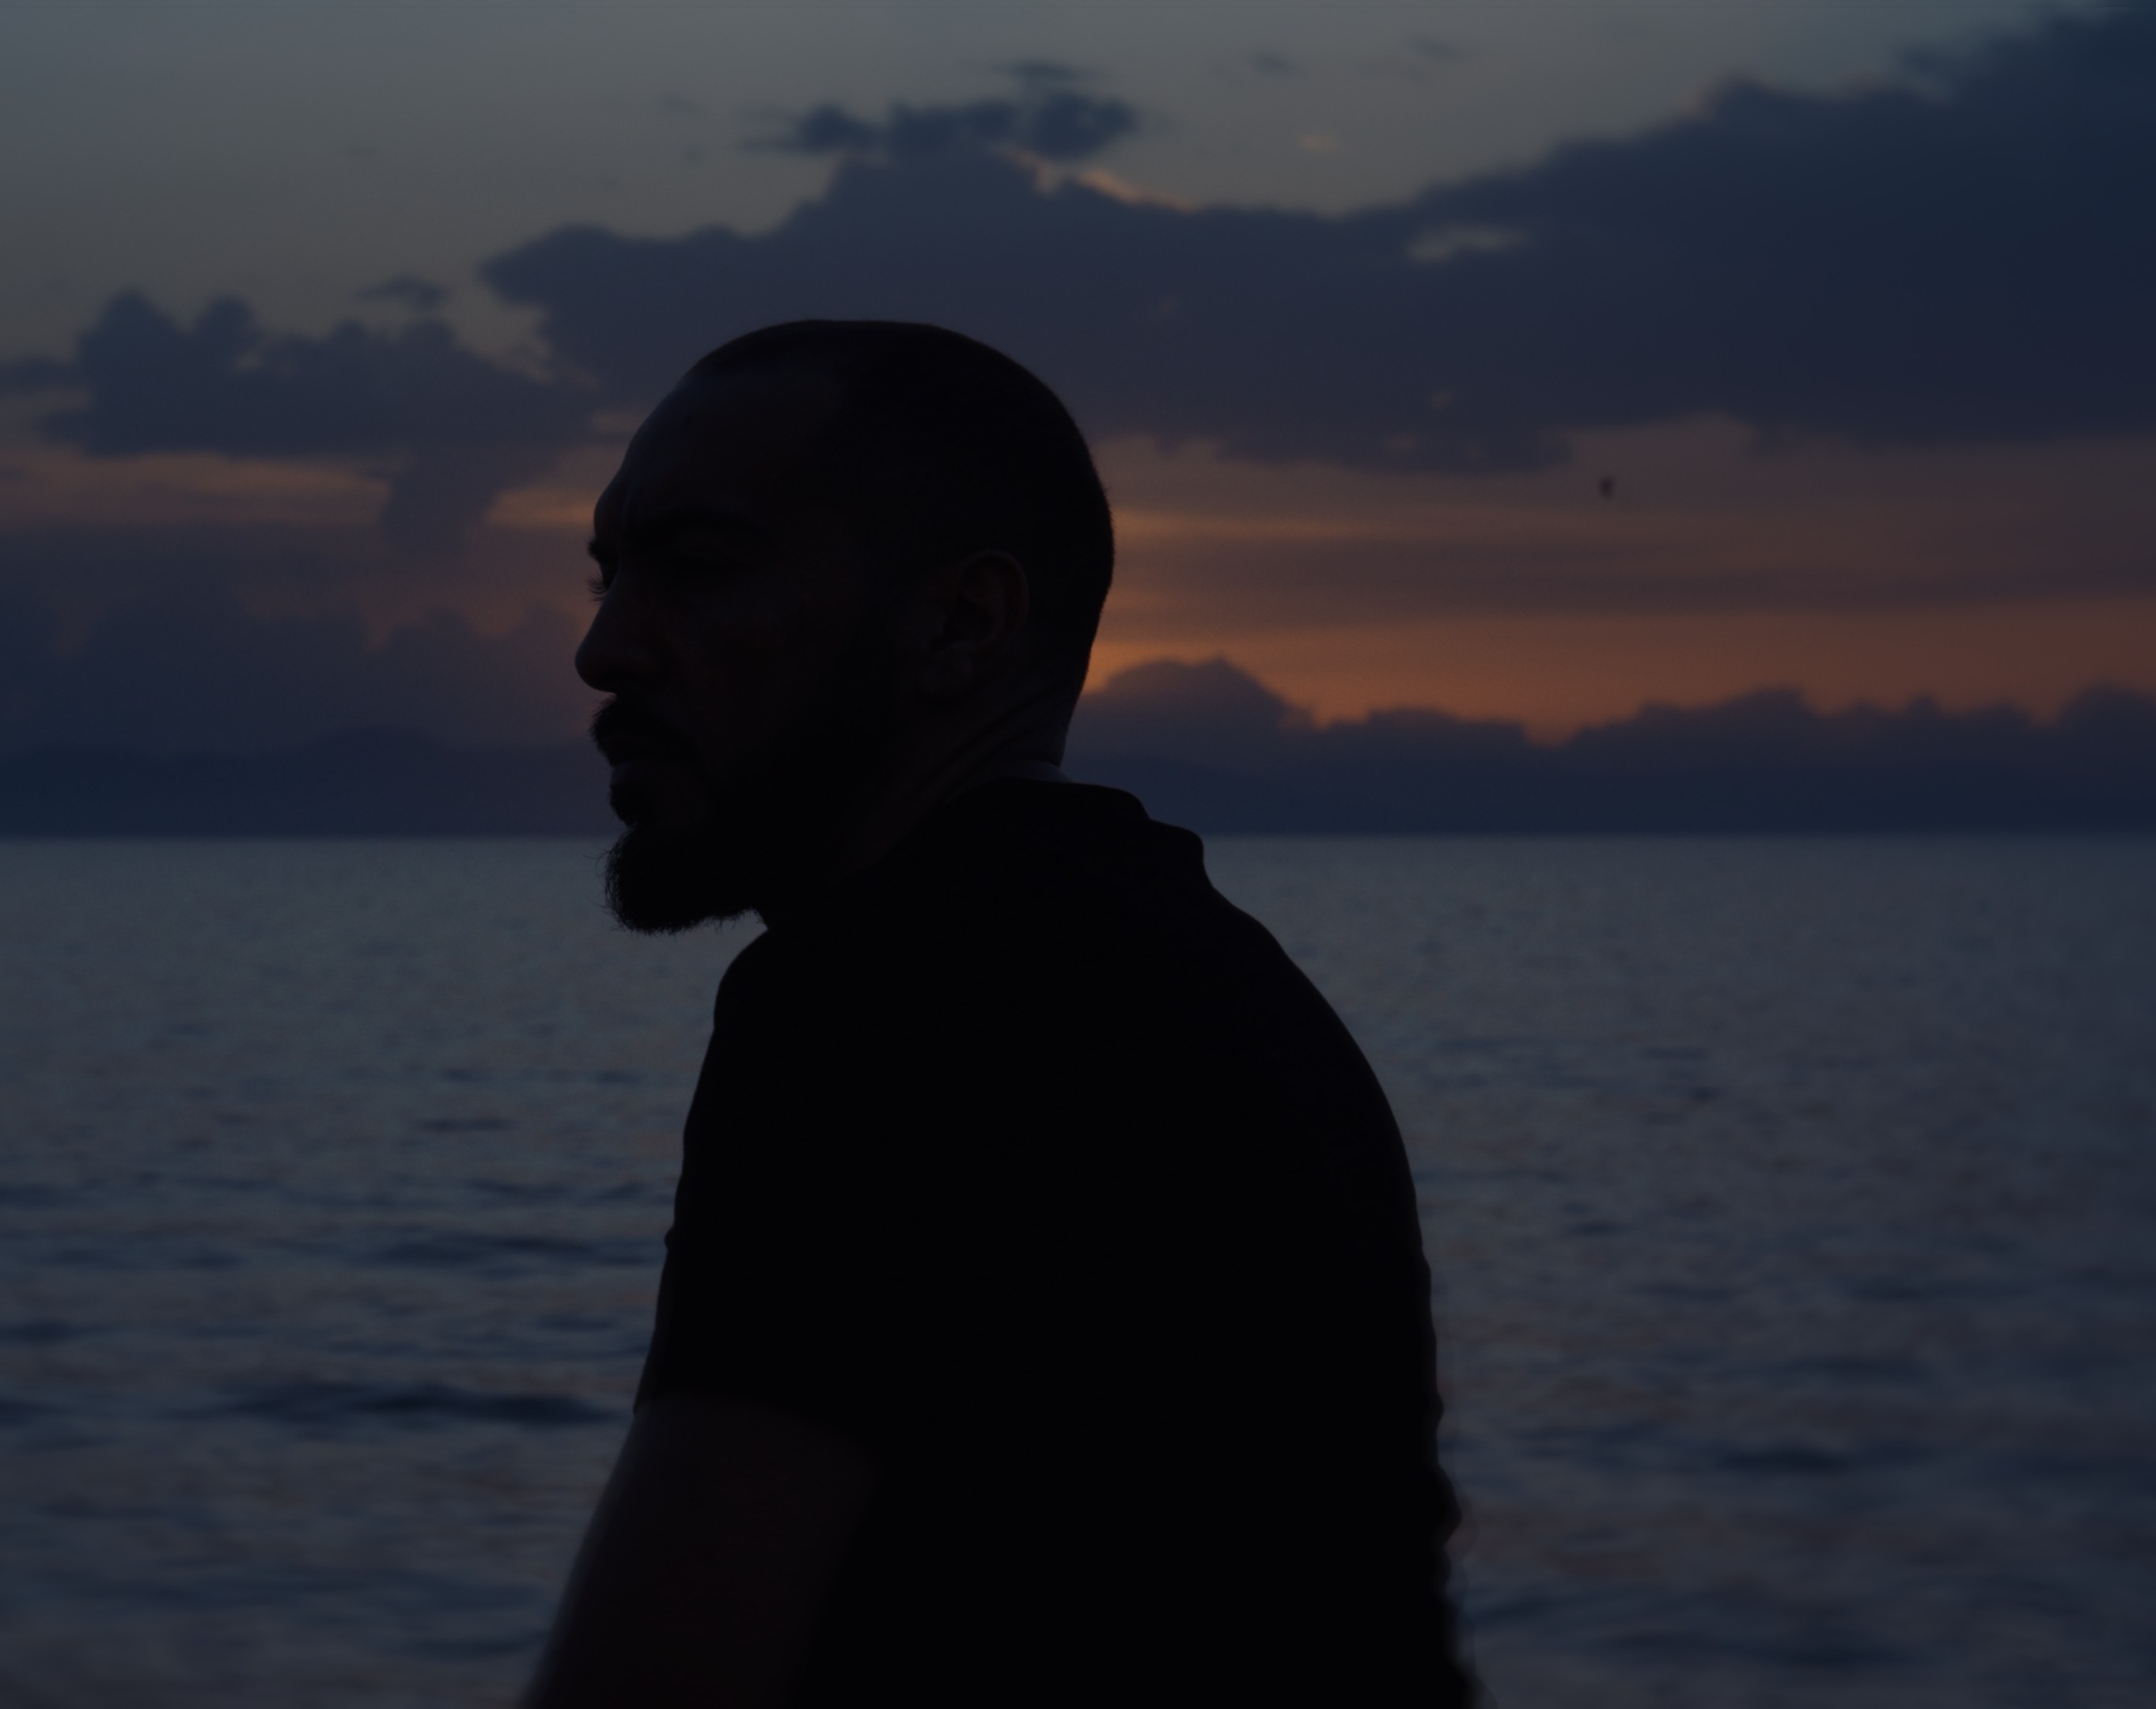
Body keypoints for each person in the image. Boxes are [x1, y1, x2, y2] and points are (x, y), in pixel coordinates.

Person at [526, 321, 1472, 1707]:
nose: (604, 650)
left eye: (700, 568)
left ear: (963, 623)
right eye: (608, 577)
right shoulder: (1227, 991)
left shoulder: (890, 1000)